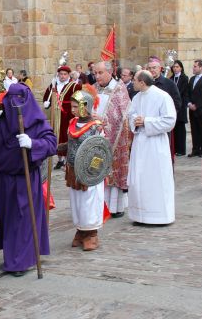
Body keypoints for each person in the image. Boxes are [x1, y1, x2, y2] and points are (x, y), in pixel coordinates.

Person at [0, 83, 56, 276]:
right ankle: (12, 256)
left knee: (24, 219)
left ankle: (19, 261)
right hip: (3, 178)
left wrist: (33, 143)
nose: (15, 103)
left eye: (19, 99)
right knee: (9, 219)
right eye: (11, 99)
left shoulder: (36, 122)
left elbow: (51, 143)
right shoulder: (1, 122)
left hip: (25, 178)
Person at [127, 71, 176, 226]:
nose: (133, 83)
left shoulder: (162, 96)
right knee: (138, 178)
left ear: (142, 82)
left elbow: (169, 121)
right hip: (140, 143)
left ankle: (158, 216)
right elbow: (130, 115)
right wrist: (135, 121)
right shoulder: (136, 97)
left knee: (156, 178)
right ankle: (140, 215)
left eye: (135, 80)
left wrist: (147, 121)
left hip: (155, 145)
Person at [61, 87, 104, 251]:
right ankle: (80, 231)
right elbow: (71, 144)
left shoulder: (96, 127)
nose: (71, 110)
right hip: (73, 170)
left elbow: (100, 150)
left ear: (85, 106)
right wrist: (57, 148)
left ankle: (91, 234)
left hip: (88, 172)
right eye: (71, 106)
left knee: (89, 203)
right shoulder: (72, 123)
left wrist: (91, 172)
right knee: (77, 203)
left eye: (74, 106)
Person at [93, 61, 132, 218]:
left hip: (114, 138)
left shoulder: (119, 89)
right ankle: (98, 205)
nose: (97, 76)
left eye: (100, 73)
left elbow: (123, 117)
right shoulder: (94, 88)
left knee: (113, 172)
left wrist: (104, 121)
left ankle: (115, 207)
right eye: (95, 73)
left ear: (109, 72)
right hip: (95, 135)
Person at [42, 65, 82, 169]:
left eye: (65, 74)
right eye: (61, 74)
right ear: (58, 75)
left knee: (67, 135)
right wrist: (47, 102)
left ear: (68, 75)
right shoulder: (53, 85)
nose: (63, 76)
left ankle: (68, 159)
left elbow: (79, 99)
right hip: (56, 115)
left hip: (68, 115)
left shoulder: (74, 86)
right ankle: (60, 159)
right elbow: (47, 96)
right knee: (56, 135)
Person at [147, 57, 181, 159]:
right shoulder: (145, 84)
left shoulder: (169, 84)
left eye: (154, 68)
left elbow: (177, 102)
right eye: (149, 68)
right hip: (148, 124)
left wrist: (168, 117)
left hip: (163, 124)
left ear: (160, 69)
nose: (152, 70)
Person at [187, 60, 202, 157]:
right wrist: (189, 103)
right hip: (192, 109)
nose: (193, 68)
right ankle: (195, 149)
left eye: (195, 66)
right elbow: (188, 93)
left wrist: (197, 105)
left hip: (201, 110)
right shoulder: (192, 79)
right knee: (194, 130)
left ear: (201, 67)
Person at [170, 60, 189, 156]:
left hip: (180, 105)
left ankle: (181, 149)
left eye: (177, 67)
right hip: (172, 105)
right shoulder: (171, 78)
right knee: (174, 127)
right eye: (174, 67)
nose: (175, 68)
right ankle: (175, 148)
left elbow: (181, 91)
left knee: (180, 128)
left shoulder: (184, 78)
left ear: (181, 68)